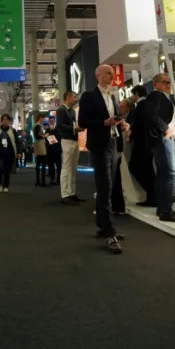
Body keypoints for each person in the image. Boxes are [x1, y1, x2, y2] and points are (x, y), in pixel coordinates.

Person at [78, 65, 129, 254]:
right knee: (105, 187)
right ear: (98, 75)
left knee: (109, 186)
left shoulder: (112, 96)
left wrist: (121, 123)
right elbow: (82, 122)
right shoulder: (89, 96)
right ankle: (110, 233)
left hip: (113, 143)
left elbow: (113, 117)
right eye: (108, 73)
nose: (112, 76)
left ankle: (102, 226)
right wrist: (103, 123)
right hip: (99, 146)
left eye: (112, 73)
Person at [143, 73, 175, 223]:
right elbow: (151, 115)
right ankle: (166, 211)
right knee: (169, 174)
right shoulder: (156, 95)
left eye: (169, 82)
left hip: (165, 139)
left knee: (164, 175)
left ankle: (163, 208)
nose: (168, 85)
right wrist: (166, 129)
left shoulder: (164, 97)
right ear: (155, 84)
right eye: (165, 82)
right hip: (163, 139)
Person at [127, 85, 155, 207]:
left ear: (136, 94)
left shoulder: (141, 106)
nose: (132, 97)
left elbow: (139, 125)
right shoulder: (146, 105)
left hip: (142, 143)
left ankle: (152, 194)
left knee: (136, 167)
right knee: (147, 169)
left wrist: (131, 134)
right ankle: (152, 195)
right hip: (146, 142)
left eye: (133, 94)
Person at [56, 91, 85, 205]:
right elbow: (60, 126)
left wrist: (76, 128)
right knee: (66, 168)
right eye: (73, 97)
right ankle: (65, 194)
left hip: (74, 140)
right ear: (67, 98)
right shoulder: (61, 110)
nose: (75, 99)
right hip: (67, 140)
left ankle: (72, 193)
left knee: (73, 168)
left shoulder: (72, 110)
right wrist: (74, 129)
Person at [45, 116, 62, 187]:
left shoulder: (58, 128)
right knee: (51, 165)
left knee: (58, 165)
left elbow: (59, 137)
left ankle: (58, 180)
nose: (51, 122)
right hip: (50, 150)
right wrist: (49, 132)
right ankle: (52, 179)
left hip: (57, 149)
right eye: (50, 121)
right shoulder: (47, 129)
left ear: (55, 121)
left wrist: (52, 131)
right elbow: (46, 138)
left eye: (52, 120)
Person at [32, 114, 48, 187]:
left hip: (38, 145)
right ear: (40, 118)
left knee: (39, 164)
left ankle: (38, 181)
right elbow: (37, 136)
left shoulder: (37, 125)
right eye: (43, 118)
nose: (44, 120)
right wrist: (44, 136)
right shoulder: (37, 126)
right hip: (40, 146)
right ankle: (41, 181)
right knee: (42, 164)